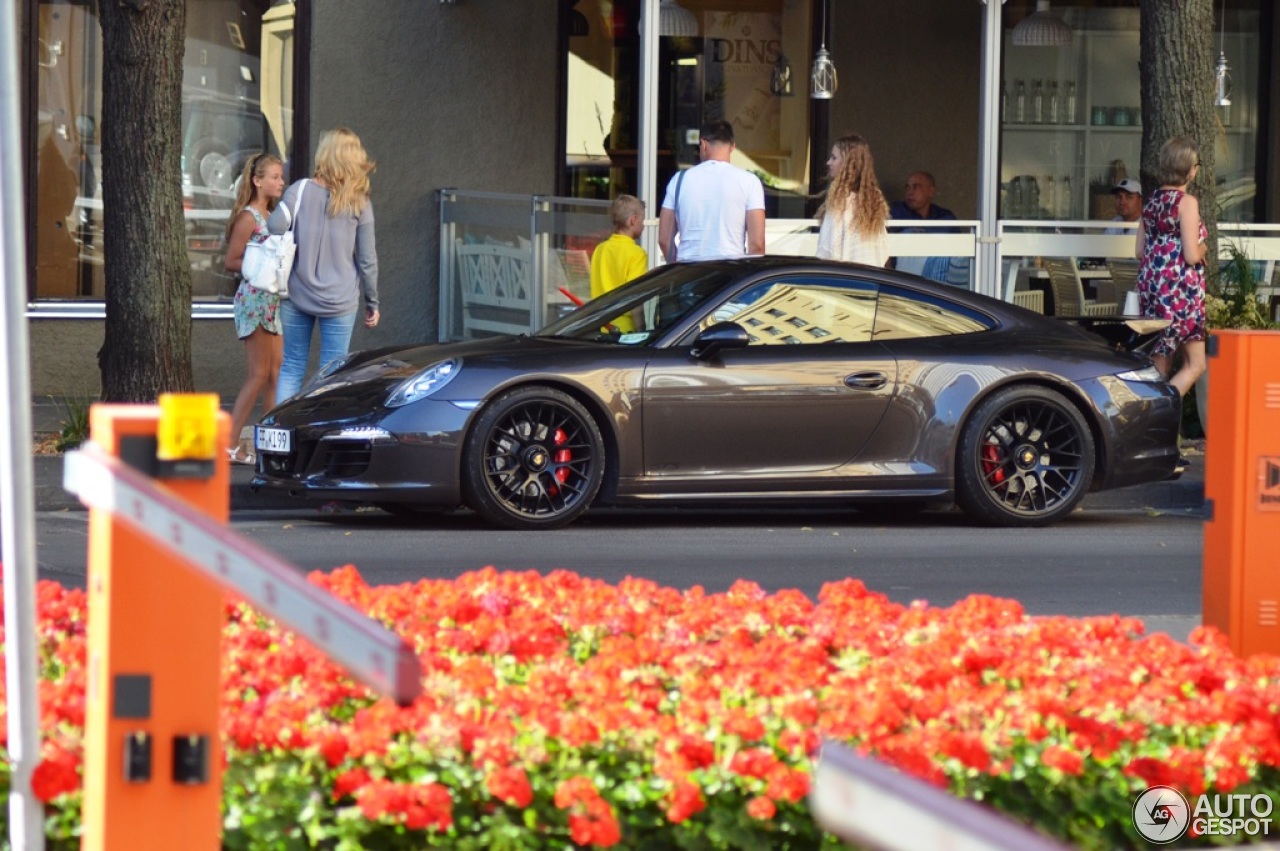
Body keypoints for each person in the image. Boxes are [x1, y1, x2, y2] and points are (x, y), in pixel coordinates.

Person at [269, 127, 379, 404]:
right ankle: (318, 436)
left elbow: (275, 226)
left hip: (296, 294)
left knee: (292, 366)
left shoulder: (300, 190)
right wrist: (372, 302)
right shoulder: (360, 203)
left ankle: (284, 435)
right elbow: (367, 259)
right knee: (332, 374)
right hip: (340, 300)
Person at [223, 153, 286, 464]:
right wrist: (262, 264)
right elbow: (231, 260)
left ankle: (270, 446)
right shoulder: (249, 217)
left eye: (281, 176)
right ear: (257, 180)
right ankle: (230, 444)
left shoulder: (272, 215)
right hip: (254, 299)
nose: (281, 181)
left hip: (272, 300)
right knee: (259, 373)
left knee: (276, 372)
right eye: (274, 176)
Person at [1136, 135, 1207, 400]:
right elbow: (1191, 254)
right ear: (1190, 170)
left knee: (1159, 365)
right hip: (1181, 292)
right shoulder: (1186, 203)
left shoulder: (1152, 201)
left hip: (1153, 288)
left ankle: (1151, 416)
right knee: (1195, 364)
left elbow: (1139, 251)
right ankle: (1160, 411)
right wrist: (1204, 249)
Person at [658, 119, 765, 262]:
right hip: (731, 274)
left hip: (688, 272)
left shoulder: (679, 180)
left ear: (703, 144)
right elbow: (757, 244)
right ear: (732, 147)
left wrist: (677, 268)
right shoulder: (750, 182)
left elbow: (664, 240)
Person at [815, 134, 889, 266]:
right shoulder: (873, 204)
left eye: (834, 157)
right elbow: (883, 252)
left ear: (848, 164)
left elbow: (828, 253)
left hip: (846, 281)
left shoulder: (840, 203)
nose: (828, 163)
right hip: (872, 280)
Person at [888, 170, 963, 284]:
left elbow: (959, 256)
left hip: (938, 285)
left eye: (916, 187)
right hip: (902, 282)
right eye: (907, 188)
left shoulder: (945, 218)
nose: (910, 193)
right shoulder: (895, 212)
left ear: (931, 191)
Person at [589, 195, 648, 332]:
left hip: (600, 326)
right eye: (642, 220)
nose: (643, 225)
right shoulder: (636, 254)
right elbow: (635, 298)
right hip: (623, 330)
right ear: (633, 220)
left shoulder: (600, 249)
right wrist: (642, 330)